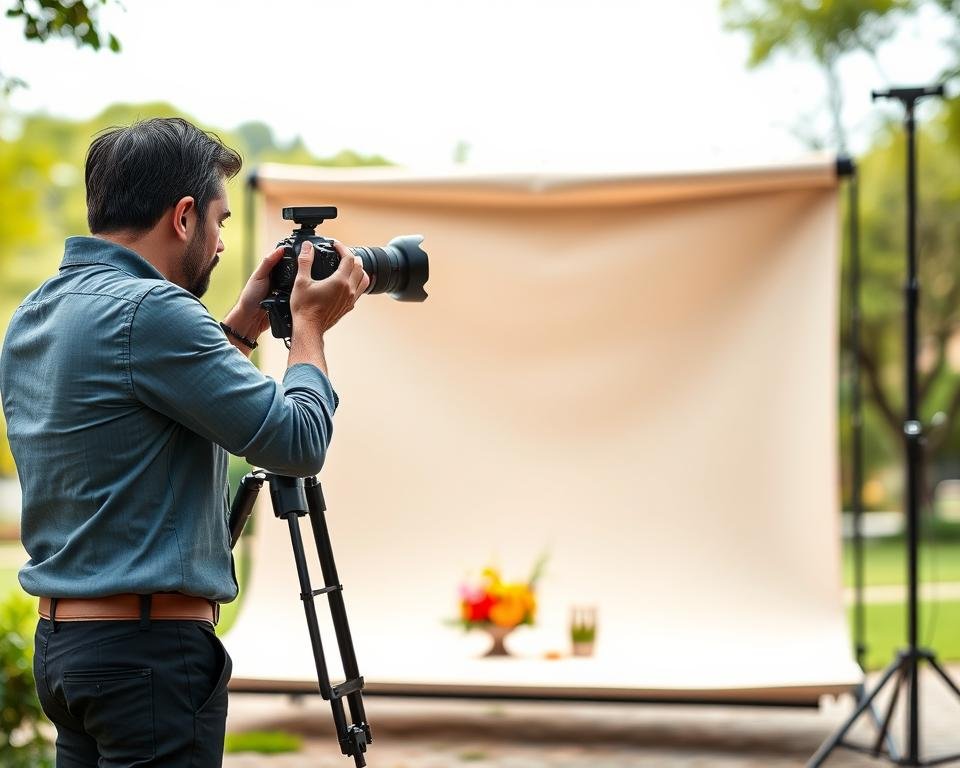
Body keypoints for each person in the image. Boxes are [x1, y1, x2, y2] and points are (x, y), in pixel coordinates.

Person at [0, 117, 369, 766]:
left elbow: (149, 414)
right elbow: (297, 440)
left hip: (67, 652)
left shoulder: (37, 312)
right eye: (221, 222)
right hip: (149, 658)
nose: (223, 243)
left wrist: (244, 325)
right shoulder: (154, 311)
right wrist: (309, 328)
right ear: (184, 216)